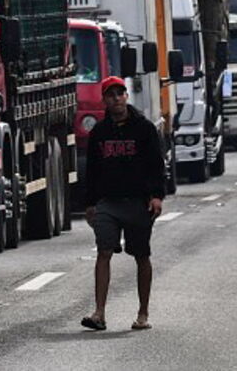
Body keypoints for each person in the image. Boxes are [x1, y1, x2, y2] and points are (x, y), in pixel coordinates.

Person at [82, 76, 165, 332]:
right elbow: (92, 170)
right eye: (110, 95)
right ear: (104, 100)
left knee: (141, 255)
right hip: (108, 203)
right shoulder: (99, 133)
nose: (116, 98)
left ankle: (142, 313)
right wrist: (90, 203)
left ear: (126, 96)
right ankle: (99, 313)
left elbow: (156, 165)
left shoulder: (144, 128)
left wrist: (156, 196)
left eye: (120, 93)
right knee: (104, 251)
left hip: (138, 203)